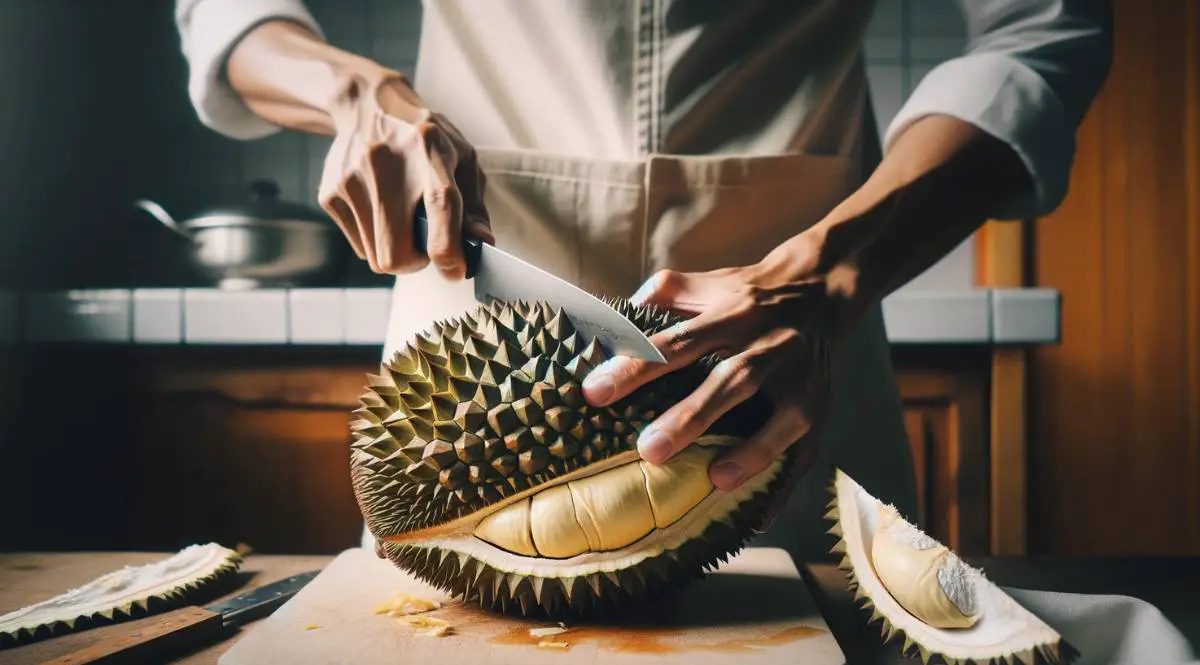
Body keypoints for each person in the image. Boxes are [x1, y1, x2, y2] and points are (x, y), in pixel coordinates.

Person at [174, 0, 1111, 562]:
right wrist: (352, 93)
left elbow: (1043, 28)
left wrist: (828, 269)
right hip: (473, 300)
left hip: (789, 330)